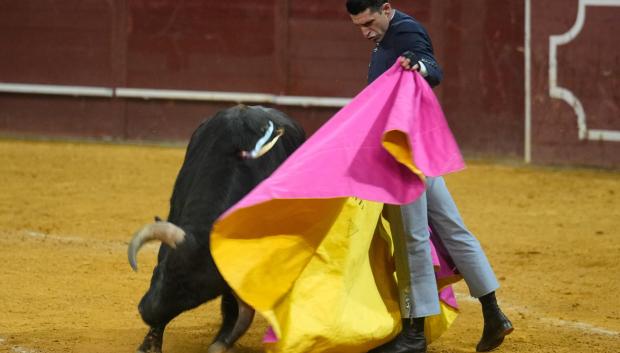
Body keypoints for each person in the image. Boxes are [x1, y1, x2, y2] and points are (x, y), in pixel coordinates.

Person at [345, 1, 514, 353]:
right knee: (454, 230)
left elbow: (432, 67)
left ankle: (414, 335)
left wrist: (419, 66)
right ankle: (494, 314)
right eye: (359, 25)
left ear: (387, 8)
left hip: (404, 154)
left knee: (412, 239)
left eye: (369, 22)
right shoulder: (387, 34)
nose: (365, 32)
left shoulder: (404, 30)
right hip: (413, 146)